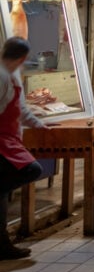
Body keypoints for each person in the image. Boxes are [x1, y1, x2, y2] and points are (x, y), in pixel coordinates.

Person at [0, 37, 47, 260]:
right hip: (2, 142)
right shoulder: (1, 76)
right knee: (31, 169)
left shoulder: (12, 75)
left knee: (2, 192)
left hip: (9, 139)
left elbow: (21, 109)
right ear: (22, 57)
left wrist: (39, 125)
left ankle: (2, 245)